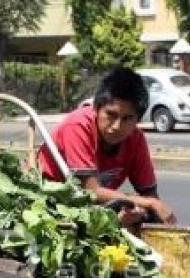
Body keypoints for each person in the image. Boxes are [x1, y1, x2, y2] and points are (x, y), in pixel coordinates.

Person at [37, 66, 177, 226]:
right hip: (47, 206)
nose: (117, 126)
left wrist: (146, 210)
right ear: (96, 109)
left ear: (137, 119)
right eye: (111, 115)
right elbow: (90, 192)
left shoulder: (136, 139)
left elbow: (149, 194)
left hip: (89, 211)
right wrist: (149, 203)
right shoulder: (77, 126)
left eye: (127, 118)